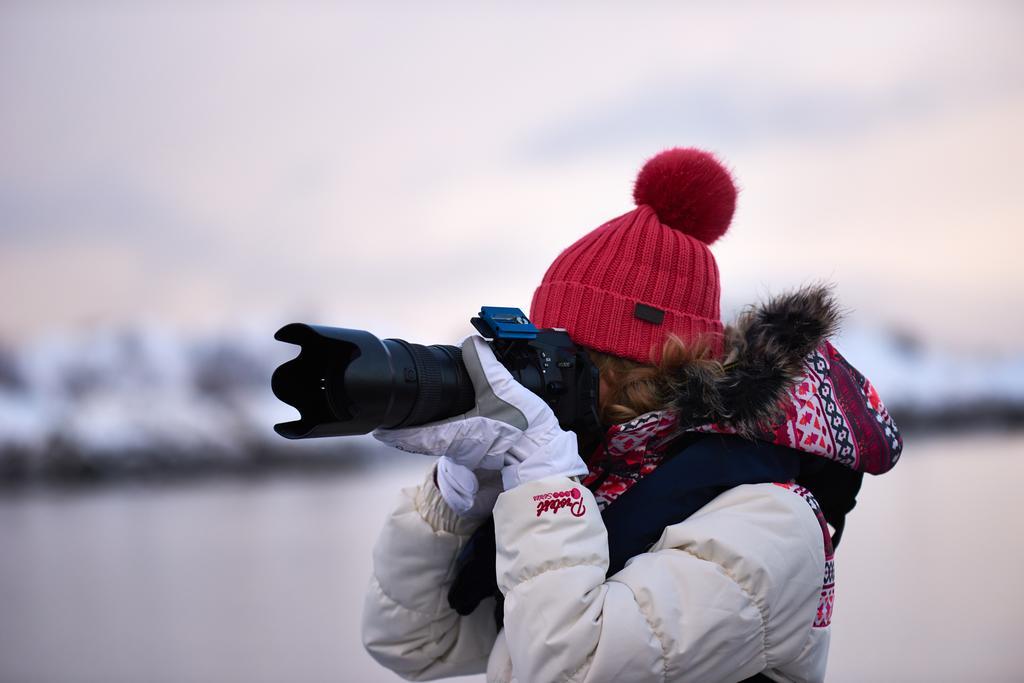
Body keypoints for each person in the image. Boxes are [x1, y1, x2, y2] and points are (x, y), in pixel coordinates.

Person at [361, 148, 902, 683]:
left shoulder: (771, 523)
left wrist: (542, 478)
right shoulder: (599, 486)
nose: (545, 381)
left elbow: (571, 670)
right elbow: (413, 644)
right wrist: (461, 491)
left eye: (568, 360)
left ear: (648, 367)